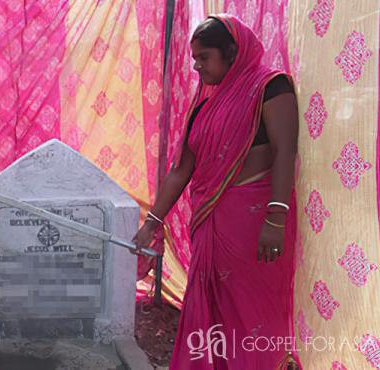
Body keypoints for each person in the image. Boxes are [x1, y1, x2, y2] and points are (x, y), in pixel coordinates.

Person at [131, 15, 298, 369]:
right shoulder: (204, 106)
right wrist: (152, 222)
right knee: (211, 311)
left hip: (256, 228)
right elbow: (182, 171)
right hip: (211, 228)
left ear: (232, 52)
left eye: (204, 57)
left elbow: (285, 152)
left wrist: (277, 217)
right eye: (194, 58)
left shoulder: (271, 87)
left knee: (251, 314)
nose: (196, 66)